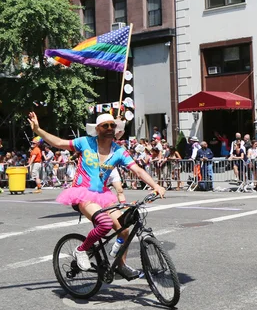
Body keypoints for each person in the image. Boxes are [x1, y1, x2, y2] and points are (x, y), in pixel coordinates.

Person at [27, 112, 166, 279]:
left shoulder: (119, 151)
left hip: (103, 195)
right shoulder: (84, 142)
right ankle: (81, 250)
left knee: (123, 229)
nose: (109, 128)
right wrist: (38, 129)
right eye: (105, 125)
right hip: (82, 193)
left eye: (112, 125)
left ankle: (121, 265)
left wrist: (156, 186)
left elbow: (137, 169)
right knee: (105, 223)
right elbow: (58, 143)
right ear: (98, 129)